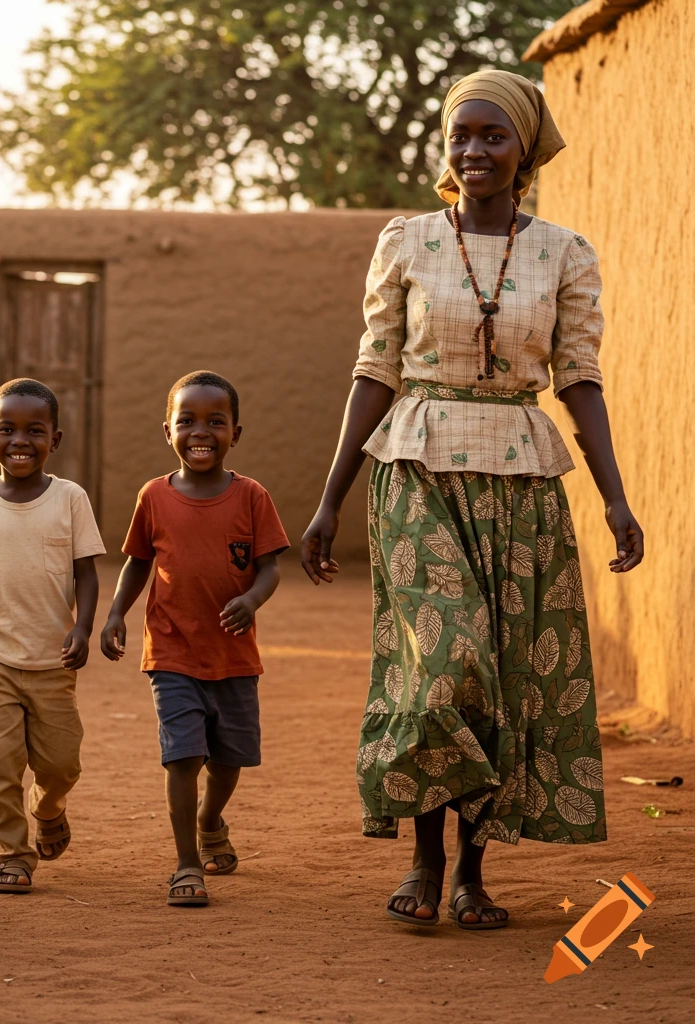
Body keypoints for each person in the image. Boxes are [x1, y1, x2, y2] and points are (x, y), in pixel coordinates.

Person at [300, 70, 644, 930]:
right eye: (461, 136)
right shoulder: (407, 241)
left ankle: (469, 875)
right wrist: (329, 498)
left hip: (521, 479)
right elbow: (375, 370)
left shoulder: (565, 252)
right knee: (443, 666)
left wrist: (615, 499)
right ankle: (422, 857)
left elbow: (582, 381)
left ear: (523, 150)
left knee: (504, 679)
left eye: (493, 136)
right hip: (416, 472)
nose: (474, 151)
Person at [100, 371, 289, 907]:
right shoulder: (154, 497)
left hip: (233, 653)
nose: (199, 431)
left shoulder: (252, 496)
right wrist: (116, 614)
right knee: (182, 756)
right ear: (167, 431)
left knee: (228, 759)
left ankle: (210, 818)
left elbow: (270, 568)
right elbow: (137, 563)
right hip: (172, 649)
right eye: (186, 421)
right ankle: (186, 862)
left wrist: (252, 599)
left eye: (215, 421)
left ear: (236, 433)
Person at [0, 378, 104, 894]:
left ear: (54, 440)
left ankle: (48, 807)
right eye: (6, 429)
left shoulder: (70, 498)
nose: (20, 440)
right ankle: (13, 853)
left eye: (35, 430)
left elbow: (87, 572)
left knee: (61, 763)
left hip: (52, 660)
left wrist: (82, 627)